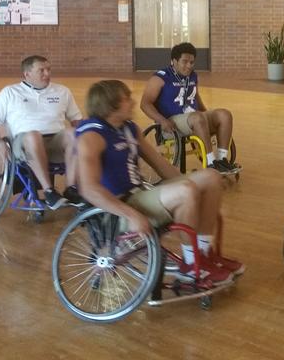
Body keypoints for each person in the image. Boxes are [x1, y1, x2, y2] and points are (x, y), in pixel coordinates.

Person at [77, 79, 244, 282]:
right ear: (110, 106)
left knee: (211, 177)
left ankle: (204, 254)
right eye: (126, 98)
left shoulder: (129, 129)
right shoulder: (92, 136)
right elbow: (89, 189)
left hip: (139, 195)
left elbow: (161, 166)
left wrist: (202, 188)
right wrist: (131, 215)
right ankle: (191, 265)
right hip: (118, 209)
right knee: (186, 191)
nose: (132, 102)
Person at [0, 55, 81, 210]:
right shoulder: (10, 92)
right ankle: (49, 192)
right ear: (27, 74)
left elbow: (76, 120)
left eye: (48, 69)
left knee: (73, 133)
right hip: (23, 144)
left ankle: (71, 189)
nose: (47, 74)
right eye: (41, 70)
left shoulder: (62, 91)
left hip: (54, 141)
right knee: (33, 136)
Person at [140, 43, 238, 174]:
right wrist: (162, 121)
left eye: (192, 62)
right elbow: (145, 104)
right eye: (185, 62)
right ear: (174, 61)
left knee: (224, 114)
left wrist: (208, 115)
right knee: (197, 117)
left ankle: (222, 160)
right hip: (171, 123)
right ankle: (211, 163)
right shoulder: (160, 77)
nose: (189, 66)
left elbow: (195, 97)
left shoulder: (192, 76)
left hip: (194, 119)